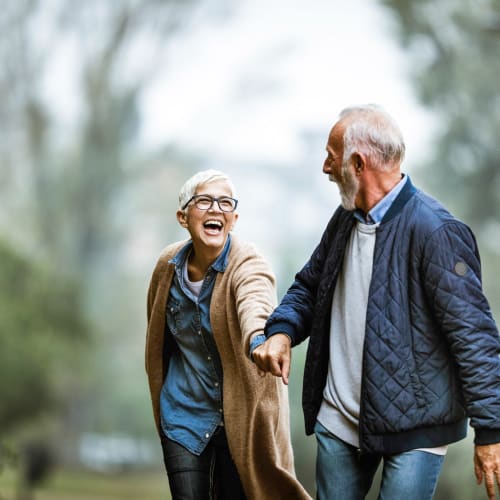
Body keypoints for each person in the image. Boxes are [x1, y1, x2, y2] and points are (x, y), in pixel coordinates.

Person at [252, 104, 500, 500]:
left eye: (331, 158)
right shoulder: (344, 219)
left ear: (357, 162)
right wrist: (281, 331)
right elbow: (309, 287)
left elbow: (474, 337)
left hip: (415, 429)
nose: (324, 168)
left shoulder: (436, 231)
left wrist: (491, 430)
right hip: (340, 420)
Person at [145, 169, 311, 500]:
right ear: (183, 216)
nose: (215, 209)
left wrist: (259, 341)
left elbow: (256, 304)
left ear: (233, 219)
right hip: (183, 412)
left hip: (241, 419)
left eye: (224, 203)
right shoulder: (167, 266)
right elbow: (157, 335)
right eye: (204, 201)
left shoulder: (247, 262)